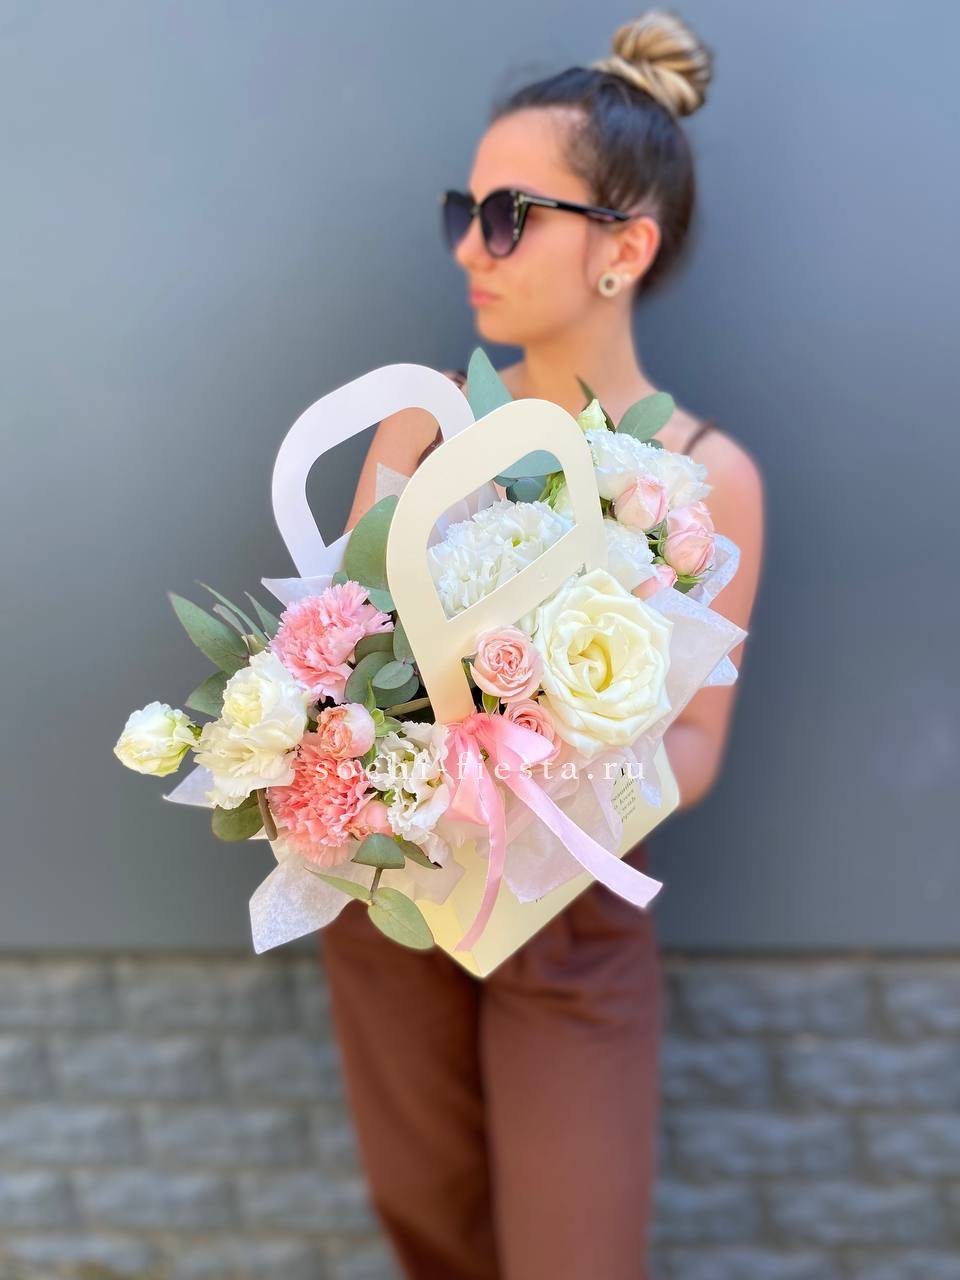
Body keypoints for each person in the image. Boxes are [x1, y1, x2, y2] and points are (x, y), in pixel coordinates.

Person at [319, 10, 765, 1278]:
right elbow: (343, 648)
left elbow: (699, 742)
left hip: (575, 908)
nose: (473, 245)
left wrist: (549, 772)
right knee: (427, 1221)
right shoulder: (423, 425)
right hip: (397, 893)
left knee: (577, 1250)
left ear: (624, 246)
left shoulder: (708, 475)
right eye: (466, 210)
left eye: (511, 214)